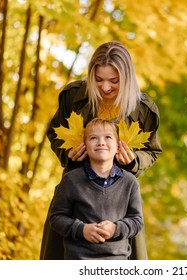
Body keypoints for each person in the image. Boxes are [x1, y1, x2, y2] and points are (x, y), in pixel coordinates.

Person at [40, 41, 162, 260]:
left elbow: (152, 151)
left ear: (126, 79)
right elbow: (55, 133)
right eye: (99, 80)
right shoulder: (73, 97)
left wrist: (133, 161)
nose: (105, 87)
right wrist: (66, 155)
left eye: (114, 81)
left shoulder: (143, 109)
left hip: (119, 200)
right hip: (75, 193)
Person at [49, 118, 143, 259]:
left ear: (118, 146)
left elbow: (136, 221)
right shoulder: (71, 180)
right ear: (85, 146)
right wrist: (82, 229)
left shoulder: (130, 182)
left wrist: (115, 229)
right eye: (93, 138)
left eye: (108, 137)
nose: (101, 142)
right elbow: (56, 217)